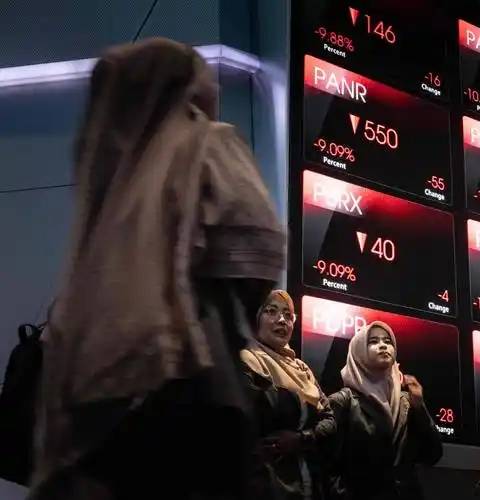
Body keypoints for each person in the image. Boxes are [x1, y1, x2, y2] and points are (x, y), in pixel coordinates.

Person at [31, 38, 285, 499]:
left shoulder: (107, 172)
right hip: (192, 374)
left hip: (99, 389)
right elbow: (261, 247)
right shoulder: (207, 140)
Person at [327, 321, 443, 500]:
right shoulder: (343, 402)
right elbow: (326, 465)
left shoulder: (407, 402)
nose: (383, 345)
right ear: (359, 352)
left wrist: (419, 407)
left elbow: (432, 455)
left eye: (388, 341)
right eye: (373, 341)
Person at [241, 290, 336, 500]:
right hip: (269, 485)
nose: (282, 320)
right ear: (256, 318)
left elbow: (330, 420)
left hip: (311, 483)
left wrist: (301, 439)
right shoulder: (248, 361)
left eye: (288, 315)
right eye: (271, 311)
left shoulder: (302, 369)